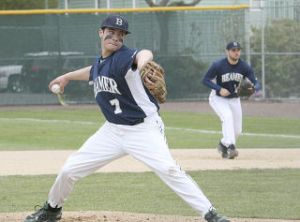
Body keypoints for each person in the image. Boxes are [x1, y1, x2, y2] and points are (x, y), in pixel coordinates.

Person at [24, 14, 230, 222]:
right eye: (111, 32)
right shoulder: (103, 62)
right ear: (101, 32)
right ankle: (52, 209)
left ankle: (210, 213)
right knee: (69, 170)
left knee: (169, 169)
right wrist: (67, 76)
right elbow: (94, 71)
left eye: (120, 35)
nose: (115, 37)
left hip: (143, 129)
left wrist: (142, 66)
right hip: (112, 131)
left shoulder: (124, 57)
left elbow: (143, 53)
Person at [202, 41, 258, 159]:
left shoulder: (244, 66)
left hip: (234, 99)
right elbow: (205, 80)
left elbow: (256, 83)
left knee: (237, 131)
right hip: (218, 98)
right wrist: (219, 88)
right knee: (227, 117)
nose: (236, 52)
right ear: (227, 52)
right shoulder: (218, 65)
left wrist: (254, 88)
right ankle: (231, 148)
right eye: (233, 50)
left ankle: (223, 144)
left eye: (238, 50)